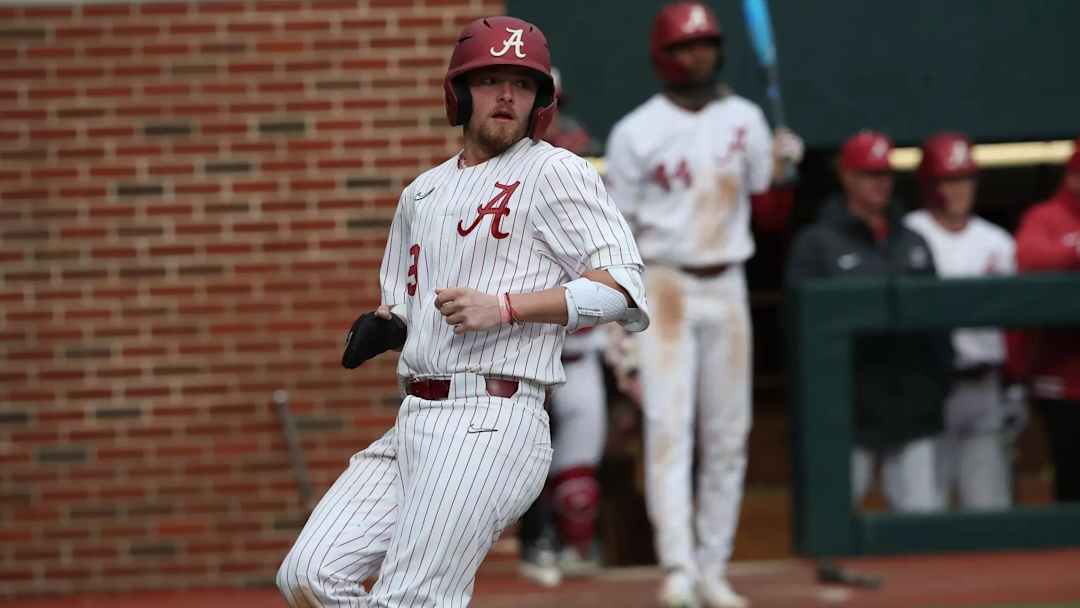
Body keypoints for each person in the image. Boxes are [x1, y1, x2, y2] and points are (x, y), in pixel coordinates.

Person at [275, 16, 650, 607]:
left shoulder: (554, 171)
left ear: (539, 101)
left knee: (410, 599)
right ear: (460, 92)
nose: (506, 95)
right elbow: (404, 299)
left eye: (521, 84)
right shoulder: (421, 193)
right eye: (491, 79)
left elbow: (624, 290)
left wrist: (505, 307)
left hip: (494, 417)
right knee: (310, 574)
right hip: (415, 416)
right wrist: (388, 326)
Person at [604, 3, 803, 606]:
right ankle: (679, 569)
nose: (700, 55)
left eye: (707, 45)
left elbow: (768, 216)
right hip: (664, 283)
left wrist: (787, 173)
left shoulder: (744, 117)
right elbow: (618, 235)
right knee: (668, 428)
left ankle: (714, 565)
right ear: (664, 56)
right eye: (687, 47)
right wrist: (622, 317)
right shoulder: (635, 131)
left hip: (728, 281)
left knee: (728, 431)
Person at [786, 130, 951, 513]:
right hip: (847, 410)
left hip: (911, 406)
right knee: (835, 520)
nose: (880, 183)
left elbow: (938, 323)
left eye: (885, 174)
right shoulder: (817, 243)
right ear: (846, 176)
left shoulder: (913, 240)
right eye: (868, 174)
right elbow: (798, 335)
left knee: (919, 527)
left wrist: (937, 386)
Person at [903, 133, 1018, 510]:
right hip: (927, 387)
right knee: (924, 510)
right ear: (929, 185)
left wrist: (1014, 385)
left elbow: (1016, 324)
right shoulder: (911, 234)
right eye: (949, 180)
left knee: (990, 510)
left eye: (965, 179)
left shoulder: (997, 242)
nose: (959, 189)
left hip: (984, 385)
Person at [1013, 136, 1080, 502]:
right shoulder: (1046, 217)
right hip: (1060, 380)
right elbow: (1029, 256)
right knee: (1070, 487)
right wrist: (1075, 248)